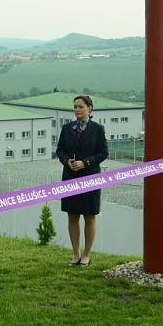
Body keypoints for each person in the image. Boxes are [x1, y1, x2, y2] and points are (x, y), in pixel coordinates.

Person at [55, 95, 108, 267]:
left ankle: (87, 254)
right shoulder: (66, 128)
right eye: (75, 107)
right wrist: (67, 161)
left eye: (80, 107)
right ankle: (76, 253)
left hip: (90, 177)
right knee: (72, 215)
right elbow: (60, 150)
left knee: (89, 216)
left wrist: (86, 162)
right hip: (70, 176)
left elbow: (103, 153)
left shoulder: (98, 129)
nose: (77, 109)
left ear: (90, 108)